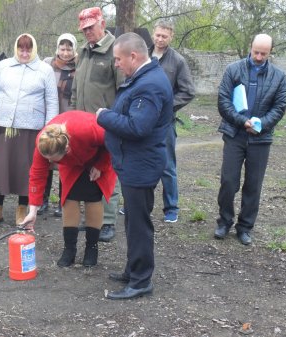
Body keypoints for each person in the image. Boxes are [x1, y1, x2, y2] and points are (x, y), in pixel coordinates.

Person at [97, 32, 173, 299]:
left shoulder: (149, 84)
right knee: (132, 221)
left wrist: (104, 117)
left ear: (133, 56)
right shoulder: (142, 78)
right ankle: (133, 269)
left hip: (141, 165)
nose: (115, 64)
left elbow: (138, 126)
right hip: (134, 162)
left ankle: (141, 281)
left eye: (118, 59)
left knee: (139, 224)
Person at [214, 34, 286, 245]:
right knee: (228, 181)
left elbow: (280, 106)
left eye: (264, 53)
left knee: (253, 184)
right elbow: (223, 101)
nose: (258, 56)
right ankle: (224, 222)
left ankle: (245, 227)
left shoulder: (279, 76)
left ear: (270, 52)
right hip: (235, 134)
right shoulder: (233, 70)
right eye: (256, 51)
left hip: (261, 138)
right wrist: (242, 121)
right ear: (250, 47)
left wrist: (261, 124)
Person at [0, 33, 58, 226]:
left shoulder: (45, 70)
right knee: (0, 167)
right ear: (16, 48)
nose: (24, 53)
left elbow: (51, 100)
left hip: (31, 129)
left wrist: (50, 130)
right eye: (21, 49)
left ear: (34, 49)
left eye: (28, 49)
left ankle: (22, 211)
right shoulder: (4, 66)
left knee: (26, 171)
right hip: (4, 126)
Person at [21, 111, 116, 267]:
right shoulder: (44, 142)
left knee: (92, 197)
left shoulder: (88, 130)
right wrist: (33, 211)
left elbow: (112, 141)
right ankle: (69, 249)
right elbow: (37, 174)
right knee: (70, 197)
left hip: (97, 154)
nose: (49, 162)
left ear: (66, 149)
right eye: (47, 158)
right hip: (71, 164)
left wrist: (100, 165)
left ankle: (91, 248)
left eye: (52, 159)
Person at [72, 6, 125, 242]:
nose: (87, 32)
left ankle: (108, 220)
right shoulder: (83, 51)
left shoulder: (116, 50)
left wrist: (115, 119)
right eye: (84, 29)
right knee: (87, 169)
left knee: (107, 171)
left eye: (91, 27)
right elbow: (76, 87)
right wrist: (74, 114)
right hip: (83, 123)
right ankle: (93, 217)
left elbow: (123, 91)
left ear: (102, 23)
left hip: (107, 123)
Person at [148, 20, 195, 223]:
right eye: (157, 35)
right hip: (142, 120)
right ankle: (141, 204)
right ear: (153, 34)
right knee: (144, 163)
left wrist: (167, 106)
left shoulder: (177, 61)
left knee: (166, 165)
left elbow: (188, 91)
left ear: (171, 37)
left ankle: (171, 208)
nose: (160, 39)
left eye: (164, 36)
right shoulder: (143, 55)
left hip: (165, 122)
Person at [39, 33, 77, 217]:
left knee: (64, 159)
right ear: (57, 48)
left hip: (69, 116)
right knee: (46, 158)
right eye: (62, 48)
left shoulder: (79, 66)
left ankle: (63, 202)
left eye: (69, 48)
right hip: (49, 116)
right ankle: (42, 200)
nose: (66, 52)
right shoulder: (47, 64)